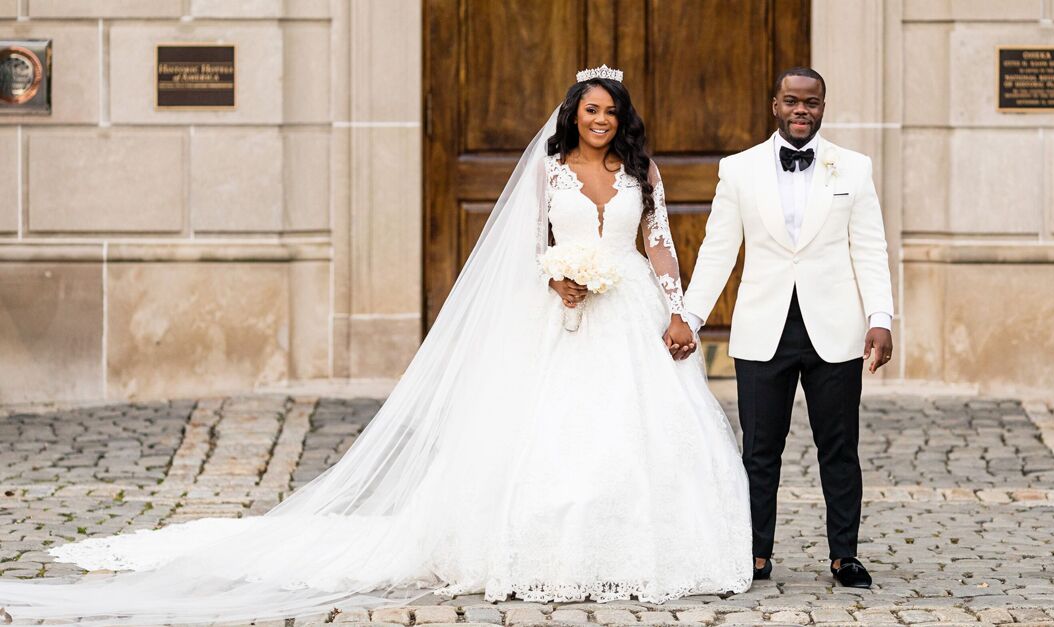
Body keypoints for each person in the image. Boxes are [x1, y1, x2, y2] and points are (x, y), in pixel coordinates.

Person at [0, 66, 753, 624]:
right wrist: (553, 279)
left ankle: (637, 550)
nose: (600, 121)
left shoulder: (641, 171)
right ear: (574, 114)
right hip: (559, 317)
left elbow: (658, 246)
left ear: (623, 119)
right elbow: (530, 246)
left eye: (610, 113)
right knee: (546, 437)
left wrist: (680, 312)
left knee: (638, 436)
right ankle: (537, 547)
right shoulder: (550, 171)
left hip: (629, 315)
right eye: (590, 111)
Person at [682, 67, 894, 589]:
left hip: (836, 330)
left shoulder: (854, 169)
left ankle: (845, 555)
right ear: (775, 104)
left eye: (813, 103)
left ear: (824, 106)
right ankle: (755, 553)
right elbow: (718, 250)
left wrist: (880, 318)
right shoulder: (739, 170)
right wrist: (688, 317)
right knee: (759, 450)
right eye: (793, 101)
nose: (803, 110)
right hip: (763, 328)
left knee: (839, 447)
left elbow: (869, 247)